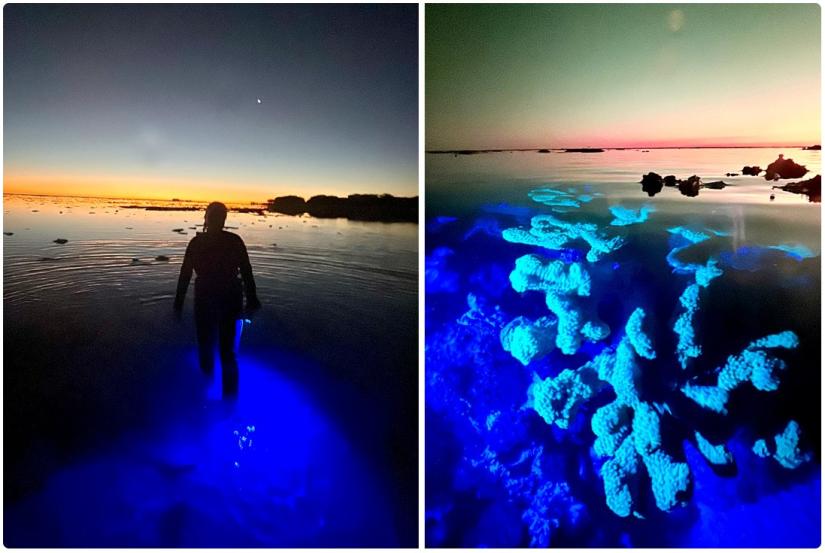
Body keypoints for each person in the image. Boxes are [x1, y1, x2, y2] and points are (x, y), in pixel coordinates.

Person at [174, 202, 261, 396]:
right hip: (230, 297)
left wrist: (178, 306)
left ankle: (206, 391)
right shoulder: (234, 241)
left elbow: (185, 275)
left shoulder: (197, 243)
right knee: (227, 353)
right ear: (223, 220)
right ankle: (228, 398)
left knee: (207, 348)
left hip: (206, 298)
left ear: (206, 218)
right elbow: (246, 273)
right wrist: (252, 300)